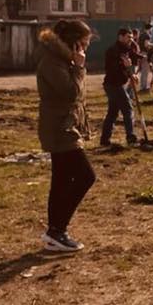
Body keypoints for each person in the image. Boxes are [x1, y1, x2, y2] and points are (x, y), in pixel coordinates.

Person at [35, 19, 96, 252]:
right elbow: (71, 93)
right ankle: (57, 230)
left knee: (60, 181)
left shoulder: (61, 60)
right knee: (86, 176)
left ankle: (55, 232)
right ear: (73, 43)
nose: (86, 48)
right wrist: (79, 67)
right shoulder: (53, 62)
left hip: (64, 126)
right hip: (60, 129)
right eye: (84, 43)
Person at [100, 28, 137, 147]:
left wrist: (131, 74)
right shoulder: (113, 51)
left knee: (112, 112)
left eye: (132, 37)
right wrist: (125, 66)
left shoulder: (125, 49)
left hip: (117, 84)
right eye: (128, 37)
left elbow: (128, 65)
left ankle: (104, 139)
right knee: (128, 109)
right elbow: (112, 69)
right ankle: (131, 137)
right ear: (120, 37)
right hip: (113, 84)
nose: (131, 40)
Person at [137, 23, 153, 92]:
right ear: (150, 28)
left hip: (141, 52)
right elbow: (146, 45)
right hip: (145, 53)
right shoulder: (147, 35)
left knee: (143, 71)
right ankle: (144, 87)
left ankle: (142, 86)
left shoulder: (141, 35)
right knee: (145, 71)